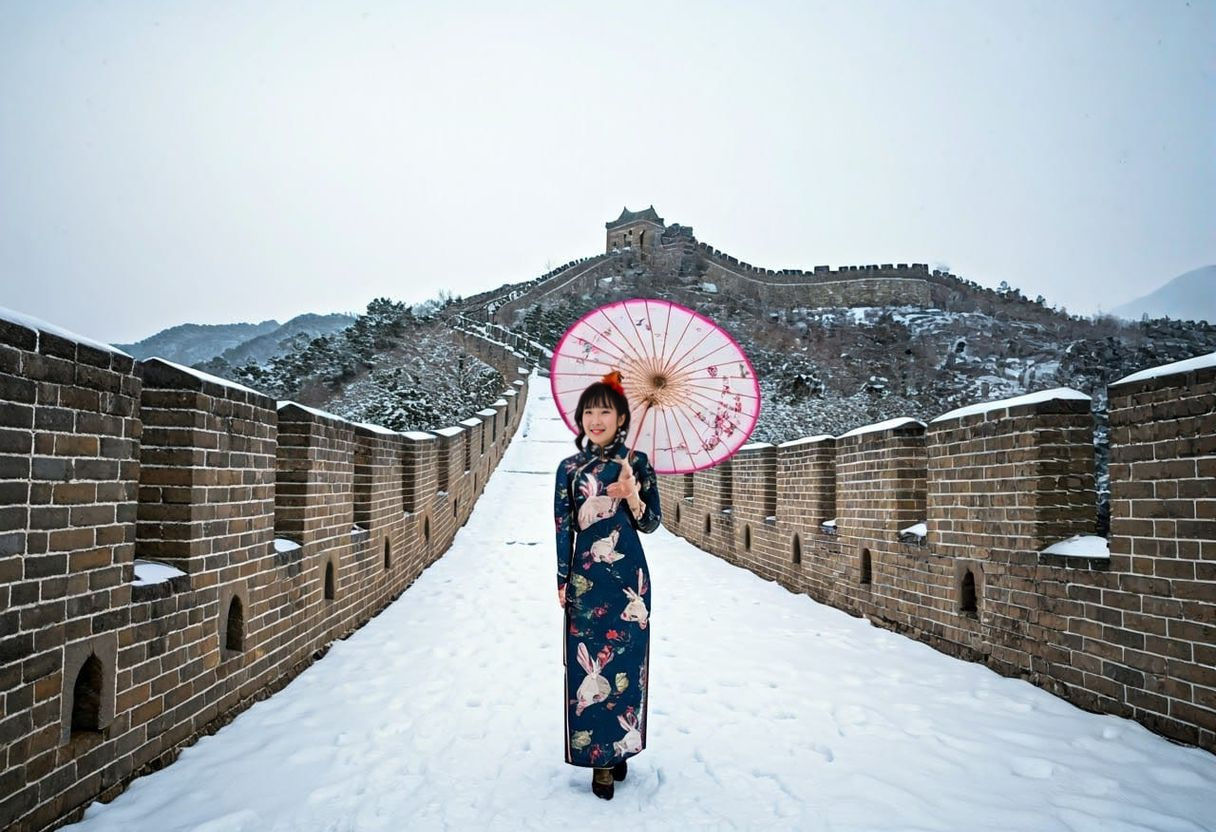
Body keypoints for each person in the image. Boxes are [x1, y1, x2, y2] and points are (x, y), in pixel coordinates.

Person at [553, 370, 662, 800]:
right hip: (586, 580)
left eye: (606, 411)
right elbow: (564, 527)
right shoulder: (569, 469)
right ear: (580, 418)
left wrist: (631, 494)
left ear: (621, 418)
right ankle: (598, 761)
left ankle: (619, 750)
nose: (596, 419)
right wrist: (563, 578)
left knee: (625, 669)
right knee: (588, 669)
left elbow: (651, 524)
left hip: (629, 581)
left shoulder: (636, 464)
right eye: (589, 411)